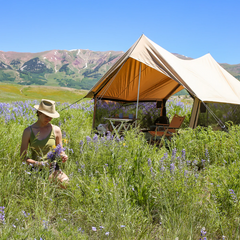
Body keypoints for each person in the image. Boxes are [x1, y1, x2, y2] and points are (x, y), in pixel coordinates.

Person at [20, 99, 69, 188]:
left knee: (65, 183)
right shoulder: (28, 131)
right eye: (47, 116)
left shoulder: (56, 130)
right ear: (39, 112)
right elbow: (23, 157)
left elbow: (60, 150)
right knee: (44, 186)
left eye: (51, 116)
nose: (49, 119)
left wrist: (63, 155)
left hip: (53, 167)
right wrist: (40, 164)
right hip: (36, 168)